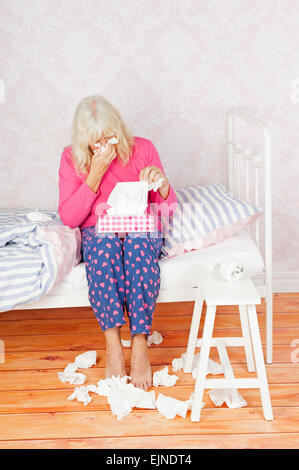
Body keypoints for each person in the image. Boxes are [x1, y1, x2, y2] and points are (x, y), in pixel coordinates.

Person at [58, 95, 177, 391]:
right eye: (96, 142)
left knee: (138, 249)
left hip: (140, 225)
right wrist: (95, 173)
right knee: (104, 249)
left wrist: (161, 183)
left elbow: (168, 207)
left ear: (119, 129)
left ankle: (139, 342)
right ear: (85, 141)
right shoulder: (72, 158)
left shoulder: (143, 148)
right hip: (100, 228)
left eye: (110, 137)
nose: (105, 146)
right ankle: (112, 342)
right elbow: (70, 217)